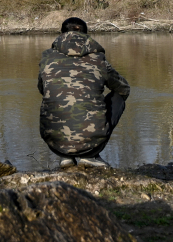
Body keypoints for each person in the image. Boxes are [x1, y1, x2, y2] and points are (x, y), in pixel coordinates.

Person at [38, 17, 130, 168]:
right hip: (92, 142)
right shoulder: (98, 59)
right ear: (87, 35)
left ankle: (65, 157)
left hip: (54, 143)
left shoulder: (47, 58)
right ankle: (90, 156)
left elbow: (42, 89)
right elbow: (123, 89)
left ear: (61, 34)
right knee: (118, 97)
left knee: (51, 97)